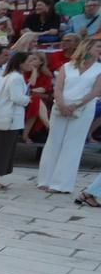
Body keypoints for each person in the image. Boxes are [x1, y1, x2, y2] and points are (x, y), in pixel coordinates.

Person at [35, 38, 101, 195]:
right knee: (53, 142)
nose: (100, 49)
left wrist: (75, 105)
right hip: (61, 106)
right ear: (87, 47)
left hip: (83, 108)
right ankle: (45, 180)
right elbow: (58, 88)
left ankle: (61, 184)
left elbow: (95, 92)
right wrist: (62, 104)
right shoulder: (67, 66)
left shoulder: (99, 68)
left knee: (72, 145)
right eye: (98, 46)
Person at [0, 51, 33, 190]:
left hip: (0, 115)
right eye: (29, 61)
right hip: (9, 119)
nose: (31, 64)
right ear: (21, 63)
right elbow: (17, 98)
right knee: (2, 150)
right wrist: (28, 99)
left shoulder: (7, 75)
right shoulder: (16, 78)